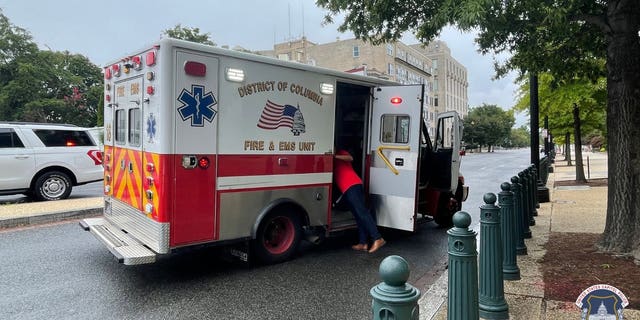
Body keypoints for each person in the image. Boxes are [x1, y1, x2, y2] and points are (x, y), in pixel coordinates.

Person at [334, 149, 385, 253]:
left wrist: (334, 156)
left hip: (353, 185)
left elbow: (350, 158)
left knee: (362, 213)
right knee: (358, 215)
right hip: (346, 189)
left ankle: (378, 238)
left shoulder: (341, 152)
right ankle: (363, 243)